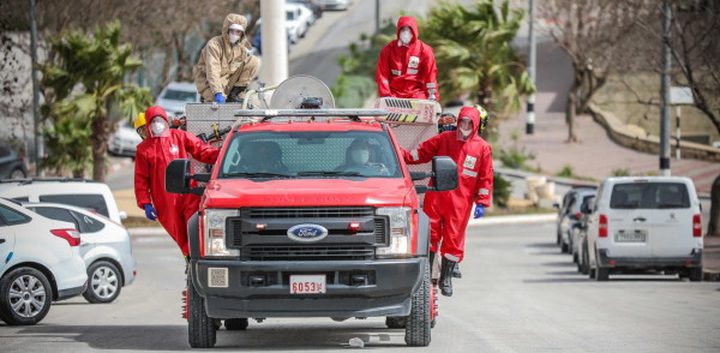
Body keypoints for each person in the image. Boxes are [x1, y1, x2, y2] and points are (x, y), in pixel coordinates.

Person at [402, 106, 493, 296]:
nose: (465, 126)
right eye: (463, 122)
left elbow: (486, 176)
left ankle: (446, 279)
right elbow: (421, 153)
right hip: (437, 195)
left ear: (475, 125)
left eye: (469, 123)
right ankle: (426, 275)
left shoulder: (482, 148)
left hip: (461, 202)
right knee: (430, 236)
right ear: (458, 121)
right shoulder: (444, 139)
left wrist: (483, 201)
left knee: (453, 240)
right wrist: (400, 153)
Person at [134, 106, 220, 257]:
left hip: (187, 192)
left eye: (160, 119)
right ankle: (189, 257)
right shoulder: (143, 149)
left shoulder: (179, 136)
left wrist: (222, 155)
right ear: (148, 124)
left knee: (194, 228)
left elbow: (201, 150)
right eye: (153, 121)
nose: (157, 123)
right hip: (164, 200)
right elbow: (141, 179)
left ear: (165, 120)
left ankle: (198, 256)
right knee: (178, 233)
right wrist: (145, 203)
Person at [193, 13, 261, 103]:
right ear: (227, 29)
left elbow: (241, 71)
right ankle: (207, 97)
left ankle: (235, 93)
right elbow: (212, 71)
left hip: (228, 85)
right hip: (209, 85)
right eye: (232, 30)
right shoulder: (214, 45)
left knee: (253, 61)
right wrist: (217, 92)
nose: (235, 34)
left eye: (238, 32)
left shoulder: (241, 48)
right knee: (216, 102)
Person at [375, 16, 440, 101]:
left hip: (417, 94)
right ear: (398, 31)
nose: (406, 33)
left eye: (409, 30)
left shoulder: (424, 50)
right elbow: (382, 75)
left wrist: (432, 95)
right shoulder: (388, 50)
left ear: (414, 31)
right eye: (403, 30)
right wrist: (386, 95)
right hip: (394, 95)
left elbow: (430, 75)